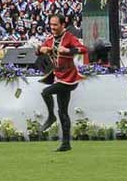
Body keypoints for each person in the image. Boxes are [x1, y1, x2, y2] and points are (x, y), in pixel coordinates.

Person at [37, 14, 87, 152]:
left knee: (45, 92)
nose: (52, 27)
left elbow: (83, 49)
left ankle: (51, 116)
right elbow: (38, 51)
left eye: (55, 25)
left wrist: (68, 50)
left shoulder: (69, 37)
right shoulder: (50, 39)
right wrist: (41, 49)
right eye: (51, 24)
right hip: (59, 78)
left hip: (69, 79)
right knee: (63, 112)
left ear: (63, 25)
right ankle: (66, 143)